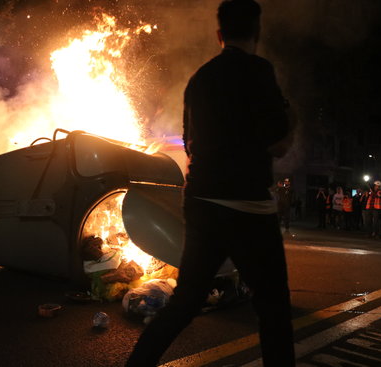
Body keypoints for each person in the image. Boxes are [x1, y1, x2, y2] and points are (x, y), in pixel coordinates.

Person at [126, 1, 295, 366]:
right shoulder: (259, 70)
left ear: (220, 35)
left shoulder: (199, 79)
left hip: (202, 203)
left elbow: (189, 145)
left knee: (186, 301)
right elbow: (279, 141)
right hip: (249, 207)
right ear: (257, 33)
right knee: (273, 309)